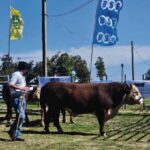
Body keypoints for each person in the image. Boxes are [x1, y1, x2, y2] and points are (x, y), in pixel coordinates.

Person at [8, 61, 31, 141]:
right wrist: (22, 88)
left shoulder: (22, 76)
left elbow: (22, 85)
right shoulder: (16, 74)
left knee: (21, 117)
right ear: (24, 69)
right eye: (27, 69)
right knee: (21, 116)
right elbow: (10, 84)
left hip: (22, 97)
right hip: (16, 97)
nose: (28, 71)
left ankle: (16, 135)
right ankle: (12, 131)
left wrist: (27, 88)